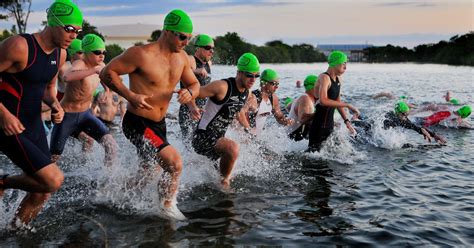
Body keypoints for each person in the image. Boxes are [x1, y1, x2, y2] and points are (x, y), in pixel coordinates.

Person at [99, 9, 199, 219]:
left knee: (149, 173)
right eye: (183, 37)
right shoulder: (141, 54)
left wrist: (189, 93)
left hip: (158, 124)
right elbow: (106, 72)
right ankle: (166, 207)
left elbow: (194, 83)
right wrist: (130, 95)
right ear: (167, 32)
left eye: (189, 38)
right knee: (174, 163)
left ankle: (112, 193)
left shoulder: (181, 58)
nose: (186, 42)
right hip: (137, 122)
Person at [0, 0, 82, 228]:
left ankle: (15, 231)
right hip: (7, 122)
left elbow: (47, 88)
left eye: (78, 30)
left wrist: (56, 104)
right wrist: (4, 115)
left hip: (32, 123)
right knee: (52, 179)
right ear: (53, 23)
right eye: (69, 29)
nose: (74, 35)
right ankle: (3, 182)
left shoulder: (62, 54)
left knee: (42, 191)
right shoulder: (19, 46)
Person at [191, 52, 259, 188]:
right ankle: (224, 183)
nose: (253, 79)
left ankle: (218, 179)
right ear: (239, 72)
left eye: (256, 76)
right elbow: (193, 92)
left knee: (228, 161)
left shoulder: (247, 92)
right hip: (202, 136)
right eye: (249, 75)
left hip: (218, 138)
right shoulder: (222, 87)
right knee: (232, 148)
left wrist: (248, 130)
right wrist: (193, 107)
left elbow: (238, 111)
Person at [49, 33, 118, 167]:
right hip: (66, 116)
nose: (102, 55)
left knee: (111, 146)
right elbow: (67, 77)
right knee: (53, 157)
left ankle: (105, 181)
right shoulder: (79, 64)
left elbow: (105, 77)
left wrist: (107, 91)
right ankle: (41, 181)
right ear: (86, 52)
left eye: (104, 52)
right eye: (97, 52)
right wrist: (93, 70)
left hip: (85, 115)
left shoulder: (100, 65)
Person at [308, 51, 360, 152]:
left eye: (346, 63)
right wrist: (347, 105)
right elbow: (323, 100)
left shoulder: (338, 79)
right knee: (314, 155)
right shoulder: (324, 77)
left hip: (329, 124)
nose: (346, 67)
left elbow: (337, 101)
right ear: (335, 63)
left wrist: (347, 121)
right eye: (343, 63)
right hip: (319, 124)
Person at [237, 68, 293, 135]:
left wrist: (286, 121)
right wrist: (248, 129)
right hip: (244, 135)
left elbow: (279, 117)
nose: (277, 87)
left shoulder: (273, 98)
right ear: (264, 83)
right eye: (274, 83)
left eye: (277, 84)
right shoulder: (253, 98)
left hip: (255, 136)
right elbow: (239, 113)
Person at [179, 34, 214, 138]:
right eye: (208, 48)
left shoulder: (209, 63)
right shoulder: (191, 60)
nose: (211, 51)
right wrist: (195, 71)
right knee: (189, 145)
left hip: (202, 110)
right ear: (198, 48)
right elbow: (180, 71)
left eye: (213, 48)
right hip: (188, 110)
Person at [287, 74, 318, 141]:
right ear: (314, 88)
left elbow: (288, 107)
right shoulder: (305, 99)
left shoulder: (301, 97)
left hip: (289, 137)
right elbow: (303, 119)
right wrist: (319, 113)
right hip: (294, 139)